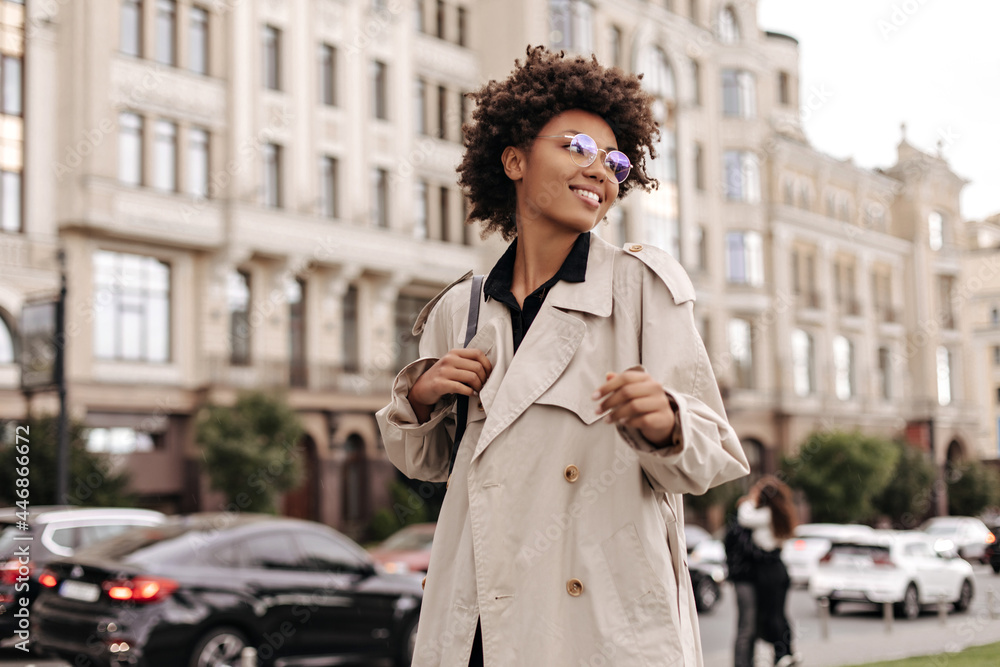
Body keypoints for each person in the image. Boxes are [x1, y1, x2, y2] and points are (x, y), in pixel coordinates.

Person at [376, 46, 750, 666]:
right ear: (515, 160)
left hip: (597, 632)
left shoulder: (641, 288)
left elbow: (711, 459)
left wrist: (667, 423)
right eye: (576, 147)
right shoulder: (460, 310)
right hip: (477, 628)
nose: (600, 169)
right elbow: (426, 464)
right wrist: (418, 398)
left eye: (615, 161)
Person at [737, 476, 800, 667]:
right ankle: (787, 651)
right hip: (779, 567)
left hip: (767, 569)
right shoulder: (780, 513)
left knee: (771, 614)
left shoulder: (765, 514)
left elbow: (744, 517)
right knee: (780, 613)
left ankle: (781, 654)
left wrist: (750, 498)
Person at [724, 507, 763, 667]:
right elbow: (751, 552)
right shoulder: (739, 532)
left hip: (746, 580)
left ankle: (748, 662)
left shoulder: (737, 530)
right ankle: (741, 664)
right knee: (747, 628)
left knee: (750, 627)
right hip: (744, 581)